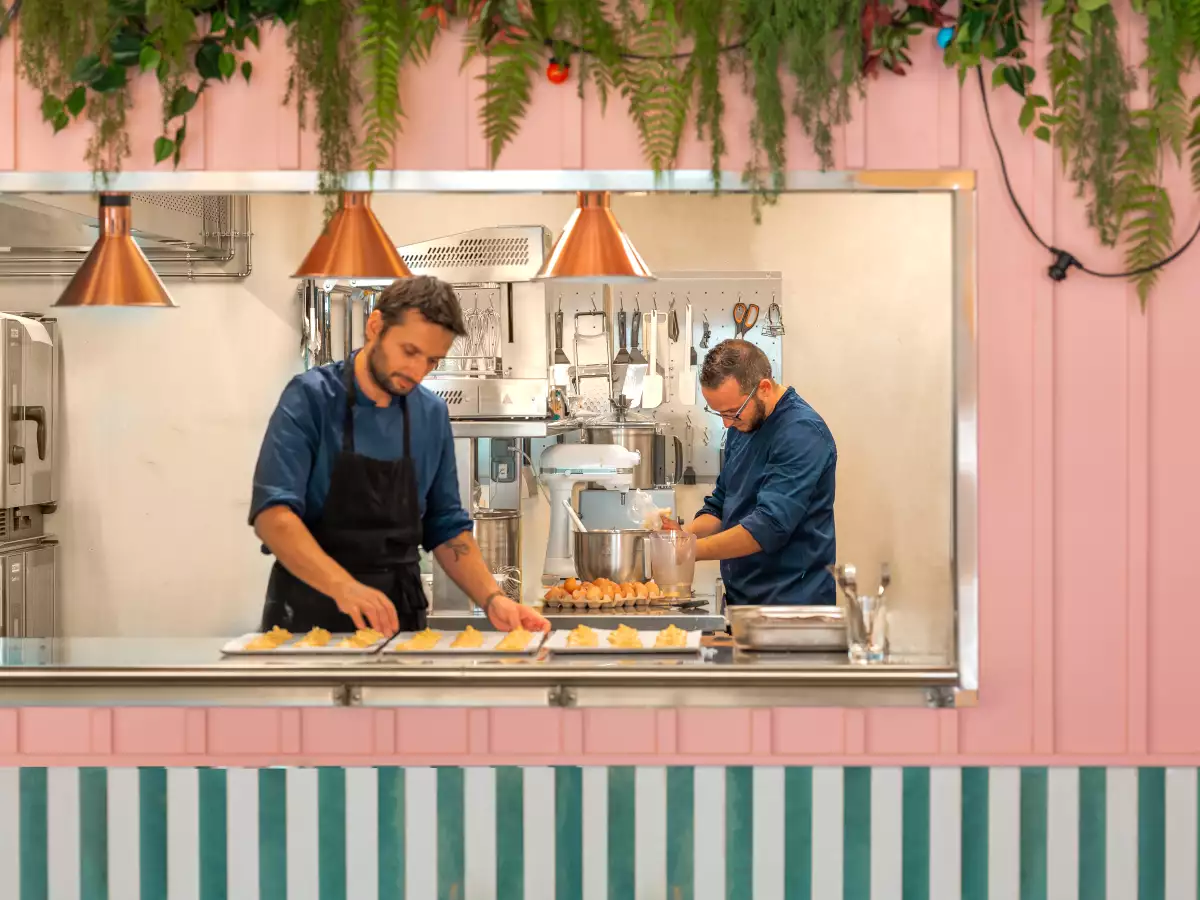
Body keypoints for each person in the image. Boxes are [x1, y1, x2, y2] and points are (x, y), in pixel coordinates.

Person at [249, 275, 549, 636]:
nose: (417, 371)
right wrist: (344, 587)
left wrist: (493, 599)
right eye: (409, 351)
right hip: (307, 616)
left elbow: (446, 527)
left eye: (432, 360)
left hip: (399, 621)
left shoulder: (430, 414)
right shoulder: (310, 398)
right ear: (375, 327)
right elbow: (273, 516)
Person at [665, 339, 837, 605]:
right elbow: (722, 504)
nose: (726, 423)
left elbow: (770, 526)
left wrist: (690, 551)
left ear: (764, 388)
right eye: (719, 413)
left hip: (791, 608)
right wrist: (684, 536)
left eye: (732, 412)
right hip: (743, 600)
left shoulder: (800, 433)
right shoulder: (743, 424)